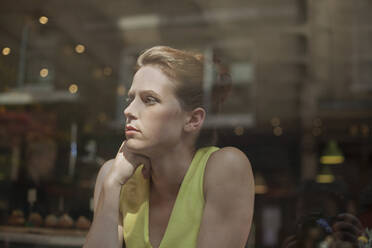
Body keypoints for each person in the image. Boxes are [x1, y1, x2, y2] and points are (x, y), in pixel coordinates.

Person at [83, 46, 255, 248]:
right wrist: (112, 185)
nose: (128, 110)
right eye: (131, 98)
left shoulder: (225, 168)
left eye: (150, 100)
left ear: (193, 119)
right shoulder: (114, 176)